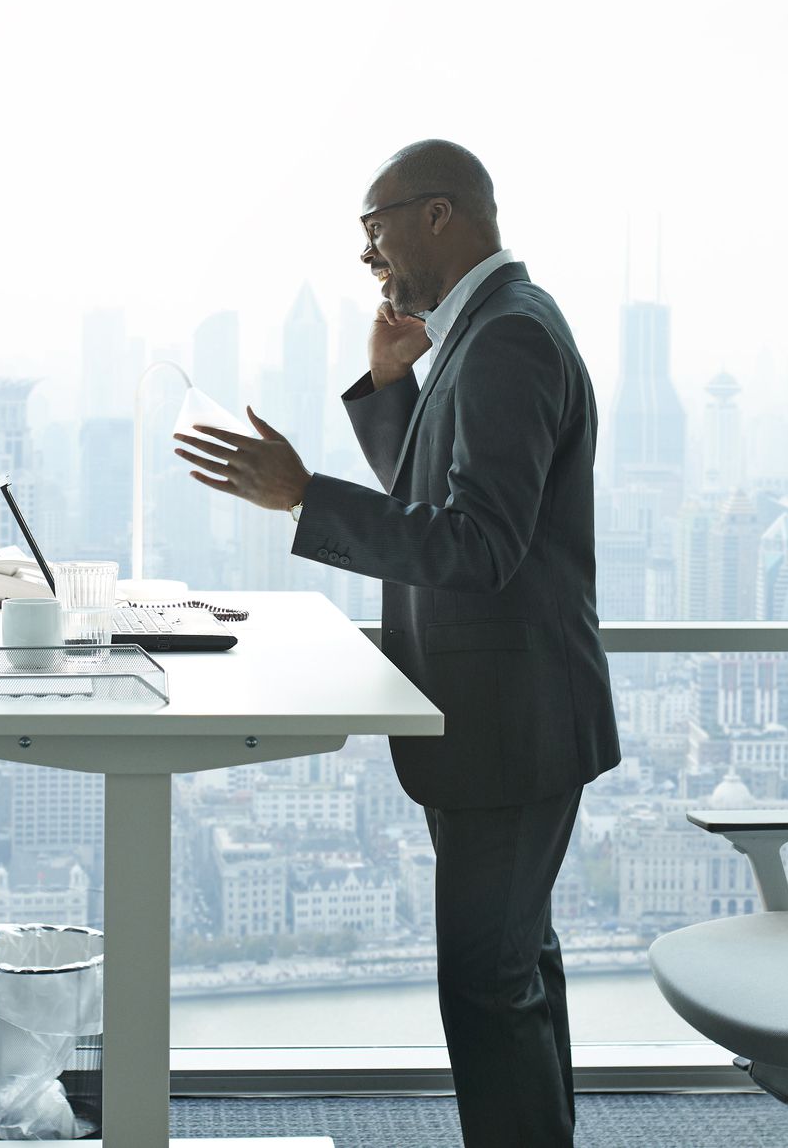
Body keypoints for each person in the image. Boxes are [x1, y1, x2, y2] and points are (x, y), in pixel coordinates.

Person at [172, 139, 618, 1145]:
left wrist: (301, 493)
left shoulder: (507, 337)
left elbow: (479, 545)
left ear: (437, 215)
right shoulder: (485, 333)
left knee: (488, 983)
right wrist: (388, 389)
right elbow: (444, 502)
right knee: (513, 970)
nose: (368, 258)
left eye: (373, 231)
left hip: (512, 724)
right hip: (501, 719)